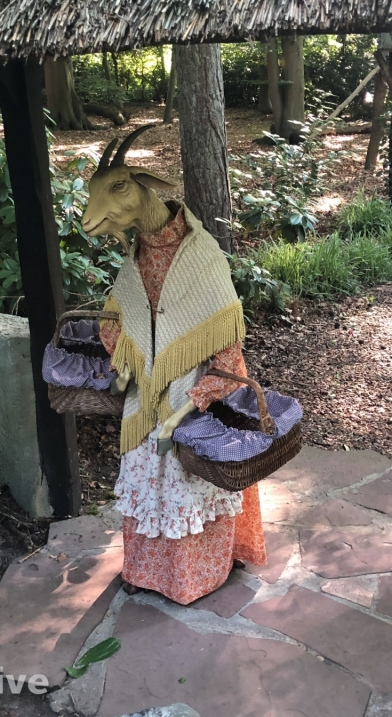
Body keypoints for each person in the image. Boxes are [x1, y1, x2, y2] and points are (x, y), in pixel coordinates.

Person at [98, 199, 267, 604]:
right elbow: (116, 319)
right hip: (145, 391)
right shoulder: (137, 253)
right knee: (148, 477)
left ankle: (202, 572)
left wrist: (195, 397)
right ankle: (145, 571)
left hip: (191, 391)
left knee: (194, 479)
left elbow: (227, 344)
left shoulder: (202, 253)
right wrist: (127, 363)